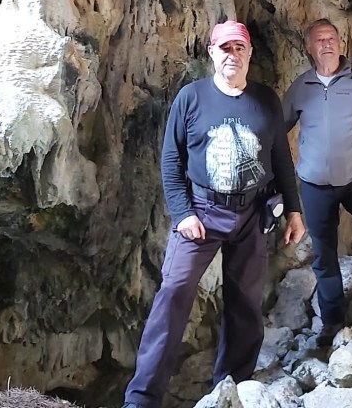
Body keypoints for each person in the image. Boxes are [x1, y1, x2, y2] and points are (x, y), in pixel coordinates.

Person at [122, 20, 306, 408]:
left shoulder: (266, 100)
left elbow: (281, 160)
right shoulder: (192, 98)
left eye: (239, 48)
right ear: (212, 53)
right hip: (202, 212)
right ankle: (142, 399)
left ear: (249, 53)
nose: (232, 56)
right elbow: (171, 160)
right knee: (173, 295)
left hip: (253, 214)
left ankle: (232, 388)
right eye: (225, 49)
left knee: (246, 302)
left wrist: (293, 210)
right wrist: (183, 212)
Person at [283, 18, 352, 345]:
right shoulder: (301, 87)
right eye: (319, 40)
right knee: (323, 251)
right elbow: (277, 130)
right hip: (315, 184)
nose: (327, 44)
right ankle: (331, 319)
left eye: (331, 38)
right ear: (309, 48)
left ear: (340, 44)